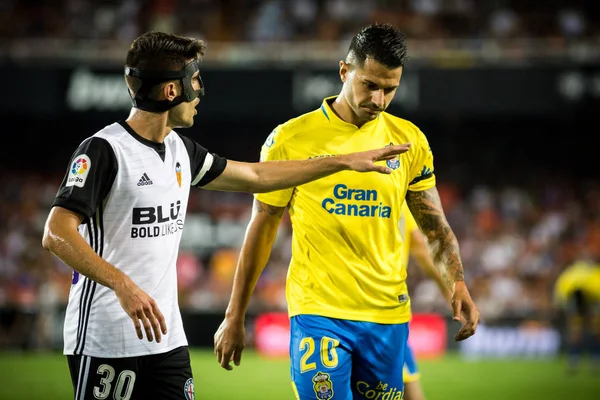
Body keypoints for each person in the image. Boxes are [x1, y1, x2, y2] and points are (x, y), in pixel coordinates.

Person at [40, 31, 411, 400]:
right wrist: (122, 284)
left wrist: (345, 161)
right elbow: (56, 233)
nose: (200, 91)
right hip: (106, 337)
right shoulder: (104, 150)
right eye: (195, 80)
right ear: (173, 91)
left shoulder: (180, 150)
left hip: (167, 340)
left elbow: (257, 175)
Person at [214, 23, 480, 400]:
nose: (380, 99)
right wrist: (234, 313)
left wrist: (457, 283)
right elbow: (264, 223)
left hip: (386, 316)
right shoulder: (290, 139)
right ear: (344, 71)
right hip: (318, 311)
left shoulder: (410, 142)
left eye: (390, 89)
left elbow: (434, 227)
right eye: (370, 85)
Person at [399, 202, 452, 400]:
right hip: (388, 307)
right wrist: (447, 291)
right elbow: (421, 249)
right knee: (405, 382)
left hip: (344, 305)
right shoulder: (399, 200)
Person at [553, 256, 600, 374]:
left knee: (578, 332)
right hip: (587, 300)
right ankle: (592, 360)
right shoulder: (593, 274)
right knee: (590, 331)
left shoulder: (570, 275)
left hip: (584, 300)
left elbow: (561, 293)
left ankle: (576, 360)